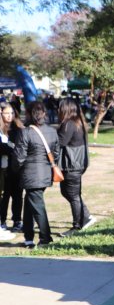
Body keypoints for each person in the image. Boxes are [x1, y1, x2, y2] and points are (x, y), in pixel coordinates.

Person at [13, 101, 59, 248]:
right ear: (44, 114)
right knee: (30, 204)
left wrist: (15, 171)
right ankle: (28, 237)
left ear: (28, 114)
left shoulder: (25, 132)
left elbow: (19, 158)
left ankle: (46, 238)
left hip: (30, 175)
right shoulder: (52, 131)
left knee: (37, 206)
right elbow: (56, 153)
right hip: (45, 174)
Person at [57, 98, 95, 237]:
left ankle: (77, 225)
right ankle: (86, 217)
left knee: (72, 195)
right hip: (76, 164)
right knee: (69, 193)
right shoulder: (78, 122)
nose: (58, 110)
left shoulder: (69, 124)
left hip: (72, 165)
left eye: (60, 107)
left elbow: (60, 142)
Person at [0, 102, 23, 235]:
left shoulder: (19, 128)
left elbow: (21, 148)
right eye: (6, 113)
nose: (9, 116)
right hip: (3, 169)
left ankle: (17, 220)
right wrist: (11, 148)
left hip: (16, 168)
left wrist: (9, 148)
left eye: (11, 113)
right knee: (4, 197)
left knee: (17, 196)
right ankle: (2, 221)